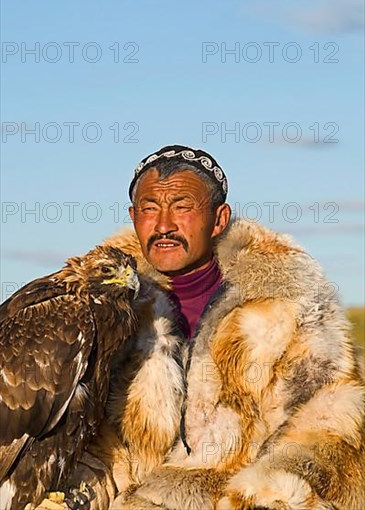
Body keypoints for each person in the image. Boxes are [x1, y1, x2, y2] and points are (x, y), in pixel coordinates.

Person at [39, 145, 364, 510]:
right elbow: (95, 446)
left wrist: (265, 496)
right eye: (149, 209)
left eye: (182, 207)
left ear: (219, 219)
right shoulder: (106, 312)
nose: (163, 225)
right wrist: (74, 497)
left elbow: (327, 425)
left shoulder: (285, 306)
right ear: (133, 217)